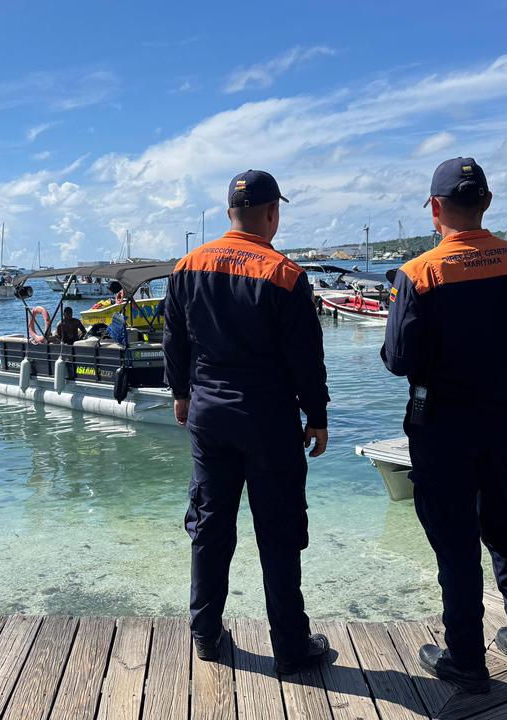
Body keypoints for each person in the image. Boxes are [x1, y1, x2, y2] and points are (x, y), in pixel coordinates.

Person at [382, 158, 507, 693]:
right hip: (505, 419)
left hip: (442, 426)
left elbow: (398, 359)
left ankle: (465, 657)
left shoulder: (420, 273)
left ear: (435, 209)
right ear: (486, 202)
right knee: (505, 528)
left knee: (456, 541)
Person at [164, 169, 331, 674]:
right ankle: (291, 646)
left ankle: (206, 635)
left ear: (228, 213)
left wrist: (180, 393)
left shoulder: (187, 265)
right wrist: (318, 414)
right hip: (269, 421)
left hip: (209, 416)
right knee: (278, 532)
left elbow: (175, 338)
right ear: (272, 214)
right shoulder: (284, 273)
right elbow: (307, 356)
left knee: (211, 526)